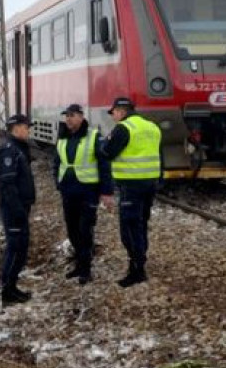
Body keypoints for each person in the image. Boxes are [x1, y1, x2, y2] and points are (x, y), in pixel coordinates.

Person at [98, 97, 162, 288]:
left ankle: (137, 270)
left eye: (114, 113)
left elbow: (107, 152)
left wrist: (104, 144)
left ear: (121, 111)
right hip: (149, 184)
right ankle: (140, 261)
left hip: (131, 185)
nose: (113, 117)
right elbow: (160, 155)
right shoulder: (152, 127)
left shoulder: (124, 128)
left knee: (129, 228)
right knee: (141, 223)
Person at [52, 104, 114, 285]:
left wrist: (106, 192)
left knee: (85, 230)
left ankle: (85, 269)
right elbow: (57, 163)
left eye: (72, 115)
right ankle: (79, 264)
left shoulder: (93, 136)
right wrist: (58, 182)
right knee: (72, 230)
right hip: (68, 191)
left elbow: (104, 165)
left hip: (88, 191)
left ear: (81, 117)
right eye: (66, 116)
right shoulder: (62, 137)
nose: (68, 119)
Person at [0, 114, 36, 305]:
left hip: (19, 207)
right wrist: (17, 210)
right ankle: (7, 291)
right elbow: (8, 184)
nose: (28, 130)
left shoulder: (18, 148)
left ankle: (12, 287)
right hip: (13, 209)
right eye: (26, 127)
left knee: (21, 248)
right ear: (17, 128)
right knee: (15, 248)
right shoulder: (9, 151)